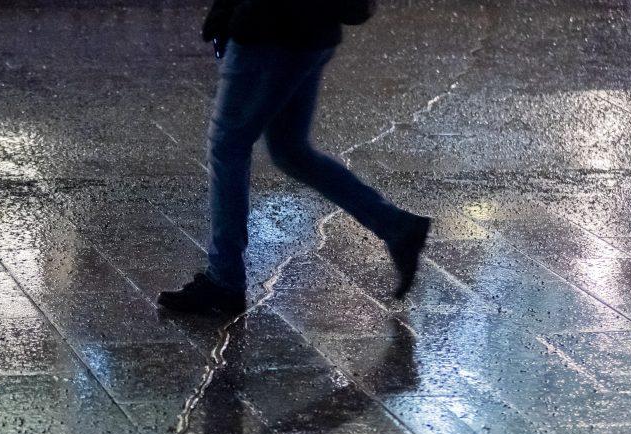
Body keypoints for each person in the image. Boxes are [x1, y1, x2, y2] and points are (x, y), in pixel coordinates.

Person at [158, 0, 431, 315]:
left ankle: (224, 280)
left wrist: (231, 16)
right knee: (291, 151)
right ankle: (397, 227)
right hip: (311, 30)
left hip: (269, 31)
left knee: (228, 146)